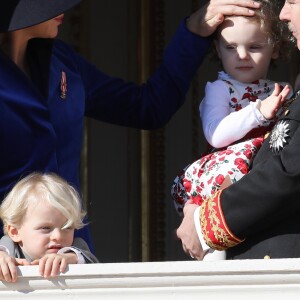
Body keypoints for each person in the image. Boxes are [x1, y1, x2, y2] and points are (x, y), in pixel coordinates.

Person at [0, 0, 261, 251]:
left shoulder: (62, 62)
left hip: (70, 255)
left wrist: (195, 30)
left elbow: (148, 107)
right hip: (7, 262)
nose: (62, 6)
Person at [176, 0, 300, 261]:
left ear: (274, 50)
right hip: (230, 170)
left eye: (293, 2)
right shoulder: (220, 89)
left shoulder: (281, 88)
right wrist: (202, 223)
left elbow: (291, 169)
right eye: (231, 47)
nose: (284, 14)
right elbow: (216, 134)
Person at [0, 172, 99, 283]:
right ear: (15, 232)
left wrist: (71, 258)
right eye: (46, 228)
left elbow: (95, 266)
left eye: (67, 227)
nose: (58, 236)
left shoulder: (76, 247)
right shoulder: (9, 247)